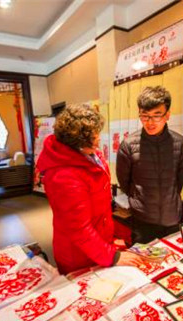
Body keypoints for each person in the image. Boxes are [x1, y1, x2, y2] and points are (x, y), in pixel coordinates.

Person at [36, 104, 144, 274]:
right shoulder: (64, 177)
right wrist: (112, 256)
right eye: (94, 138)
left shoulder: (88, 154)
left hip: (97, 242)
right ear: (76, 144)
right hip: (80, 254)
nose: (98, 140)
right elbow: (79, 229)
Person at [116, 86, 183, 244]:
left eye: (156, 116)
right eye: (144, 116)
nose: (150, 122)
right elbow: (124, 182)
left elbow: (180, 180)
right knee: (144, 264)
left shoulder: (180, 143)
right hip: (143, 220)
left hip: (172, 218)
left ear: (167, 115)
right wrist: (139, 200)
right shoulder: (128, 145)